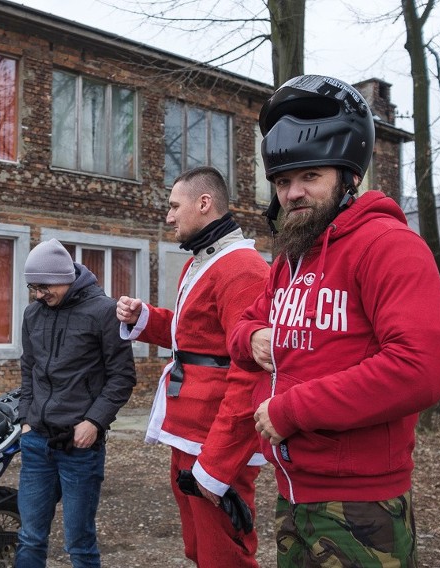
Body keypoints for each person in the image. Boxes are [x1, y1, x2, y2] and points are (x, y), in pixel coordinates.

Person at [229, 74, 440, 567]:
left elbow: (423, 367)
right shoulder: (292, 258)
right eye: (284, 181)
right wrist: (252, 337)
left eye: (310, 176)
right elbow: (243, 324)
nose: (292, 193)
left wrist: (292, 411)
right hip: (292, 494)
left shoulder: (388, 246)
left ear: (349, 177)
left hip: (361, 504)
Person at [116, 166, 270, 567]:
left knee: (225, 555)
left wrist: (217, 465)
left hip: (215, 439)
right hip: (188, 431)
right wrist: (144, 317)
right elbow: (195, 337)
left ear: (204, 204)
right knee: (199, 549)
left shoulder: (243, 269)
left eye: (173, 206)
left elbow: (251, 374)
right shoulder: (200, 263)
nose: (168, 217)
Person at [16, 238, 136, 568]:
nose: (39, 294)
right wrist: (26, 418)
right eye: (33, 287)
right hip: (37, 442)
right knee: (29, 536)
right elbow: (29, 367)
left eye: (43, 286)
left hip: (80, 447)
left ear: (63, 277)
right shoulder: (33, 314)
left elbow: (122, 377)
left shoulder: (103, 313)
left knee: (79, 544)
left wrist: (94, 422)